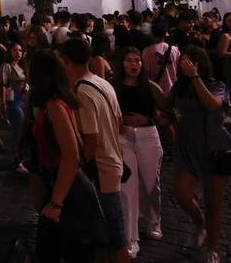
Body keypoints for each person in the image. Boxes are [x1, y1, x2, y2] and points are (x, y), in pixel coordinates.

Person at [59, 37, 127, 262]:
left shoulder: (82, 93)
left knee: (112, 235)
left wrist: (76, 169)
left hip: (101, 170)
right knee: (109, 233)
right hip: (113, 160)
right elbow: (118, 123)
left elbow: (91, 139)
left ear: (65, 61)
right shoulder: (102, 82)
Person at [167, 45, 231, 263]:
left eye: (189, 61)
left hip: (215, 148)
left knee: (214, 203)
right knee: (182, 195)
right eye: (182, 62)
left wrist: (195, 77)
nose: (184, 65)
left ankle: (212, 248)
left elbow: (212, 105)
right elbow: (167, 107)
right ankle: (199, 222)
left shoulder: (218, 85)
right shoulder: (179, 87)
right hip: (187, 147)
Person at [27, 48, 92, 263]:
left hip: (63, 189)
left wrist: (56, 203)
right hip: (58, 186)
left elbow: (72, 154)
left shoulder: (55, 106)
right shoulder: (56, 103)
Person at [114, 48, 164, 259]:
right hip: (123, 138)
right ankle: (131, 238)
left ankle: (154, 221)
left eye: (137, 61)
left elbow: (164, 113)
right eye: (129, 60)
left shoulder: (150, 87)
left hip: (147, 136)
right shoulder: (114, 87)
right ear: (122, 63)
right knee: (127, 187)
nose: (133, 65)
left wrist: (147, 120)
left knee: (151, 182)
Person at [0, 41, 29, 173]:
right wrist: (3, 103)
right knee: (17, 126)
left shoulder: (22, 67)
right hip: (12, 99)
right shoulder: (7, 67)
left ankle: (19, 157)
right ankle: (16, 158)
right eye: (15, 50)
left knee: (22, 130)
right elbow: (3, 85)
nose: (18, 53)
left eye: (20, 51)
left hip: (23, 99)